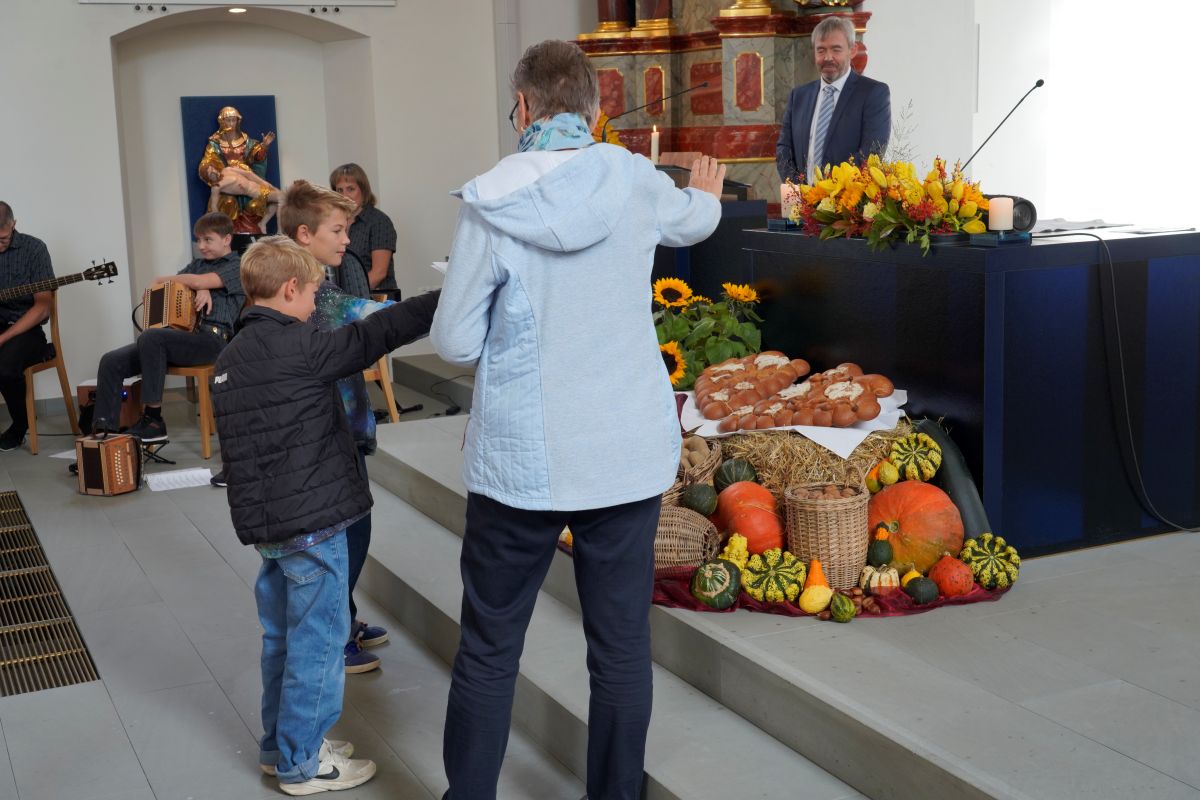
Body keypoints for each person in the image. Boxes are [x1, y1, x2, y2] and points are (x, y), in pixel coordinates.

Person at [431, 39, 725, 800]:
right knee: (621, 650)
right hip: (622, 452)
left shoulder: (494, 200)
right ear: (595, 111)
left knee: (491, 648)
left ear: (523, 105)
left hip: (524, 458)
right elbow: (693, 223)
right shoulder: (634, 180)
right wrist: (709, 195)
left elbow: (454, 339)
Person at [212, 235, 438, 795]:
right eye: (314, 293)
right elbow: (377, 332)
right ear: (290, 288)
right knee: (318, 643)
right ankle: (303, 764)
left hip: (272, 527)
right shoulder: (301, 346)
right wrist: (447, 296)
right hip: (313, 525)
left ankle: (281, 747)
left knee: (282, 641)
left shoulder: (232, 355)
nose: (317, 304)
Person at [278, 179, 390, 674]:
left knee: (350, 527)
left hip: (342, 428)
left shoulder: (313, 280)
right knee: (349, 533)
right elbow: (369, 317)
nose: (347, 240)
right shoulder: (308, 292)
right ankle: (333, 634)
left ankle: (342, 616)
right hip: (328, 434)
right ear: (305, 235)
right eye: (338, 230)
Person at [90, 212, 244, 442]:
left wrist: (194, 283)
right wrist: (200, 286)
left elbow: (187, 280)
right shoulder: (198, 265)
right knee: (111, 361)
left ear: (227, 239)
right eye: (198, 240)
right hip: (179, 338)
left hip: (212, 341)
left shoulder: (238, 265)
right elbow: (179, 284)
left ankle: (153, 420)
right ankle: (105, 434)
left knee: (152, 337)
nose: (201, 246)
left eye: (208, 240)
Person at [775, 15, 891, 184]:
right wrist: (797, 189)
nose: (828, 57)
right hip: (801, 197)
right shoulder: (799, 96)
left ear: (852, 50)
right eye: (821, 50)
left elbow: (871, 155)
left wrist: (831, 192)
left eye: (836, 49)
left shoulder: (873, 94)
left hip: (846, 197)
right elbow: (784, 149)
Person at [0, 202, 55, 452]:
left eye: (2, 238)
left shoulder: (34, 249)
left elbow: (43, 307)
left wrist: (4, 338)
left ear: (14, 224)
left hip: (26, 330)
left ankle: (19, 426)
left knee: (4, 367)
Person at [198, 106, 281, 234]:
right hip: (232, 190)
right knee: (228, 202)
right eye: (228, 120)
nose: (231, 124)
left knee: (260, 203)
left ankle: (263, 226)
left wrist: (263, 146)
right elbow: (207, 162)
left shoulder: (246, 142)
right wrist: (208, 170)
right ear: (222, 122)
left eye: (233, 120)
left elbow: (254, 163)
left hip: (248, 180)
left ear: (238, 121)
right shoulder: (215, 145)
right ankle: (228, 232)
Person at [330, 163, 399, 295]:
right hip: (346, 298)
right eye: (340, 190)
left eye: (350, 189)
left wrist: (350, 299)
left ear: (363, 190)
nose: (345, 196)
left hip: (377, 299)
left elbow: (379, 273)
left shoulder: (379, 221)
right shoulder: (335, 222)